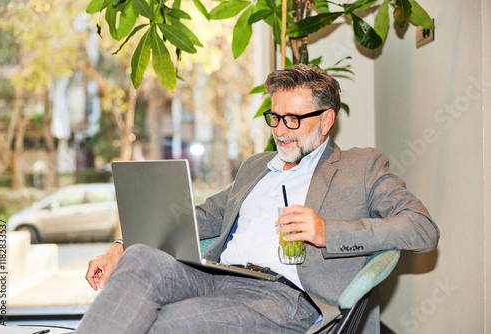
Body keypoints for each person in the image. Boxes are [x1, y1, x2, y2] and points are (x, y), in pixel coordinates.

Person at [77, 64, 439, 334]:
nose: (280, 130)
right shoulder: (255, 166)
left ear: (326, 121)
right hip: (216, 275)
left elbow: (422, 229)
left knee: (166, 324)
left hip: (282, 296)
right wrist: (121, 245)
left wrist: (327, 231)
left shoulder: (361, 166)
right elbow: (203, 214)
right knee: (141, 258)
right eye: (275, 117)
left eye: (294, 119)